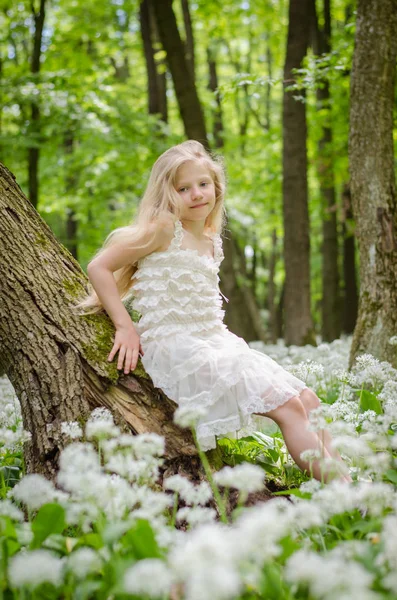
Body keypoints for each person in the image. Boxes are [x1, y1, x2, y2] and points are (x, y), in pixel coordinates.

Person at [76, 140, 352, 484]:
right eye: (184, 188)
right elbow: (99, 266)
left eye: (203, 184)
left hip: (215, 342)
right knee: (291, 409)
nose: (196, 194)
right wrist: (124, 325)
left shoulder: (209, 239)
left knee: (308, 399)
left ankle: (351, 485)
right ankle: (345, 495)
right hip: (178, 349)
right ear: (167, 193)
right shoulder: (163, 229)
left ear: (216, 187)